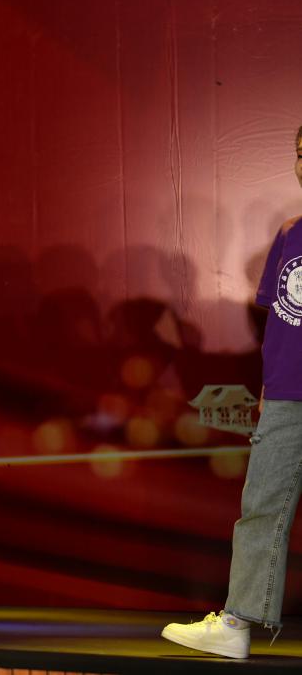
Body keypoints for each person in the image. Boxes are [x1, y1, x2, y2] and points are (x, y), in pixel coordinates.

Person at [161, 126, 302, 660]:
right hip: (286, 395)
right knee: (261, 505)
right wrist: (268, 386)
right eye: (301, 154)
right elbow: (281, 322)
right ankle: (237, 623)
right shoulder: (290, 233)